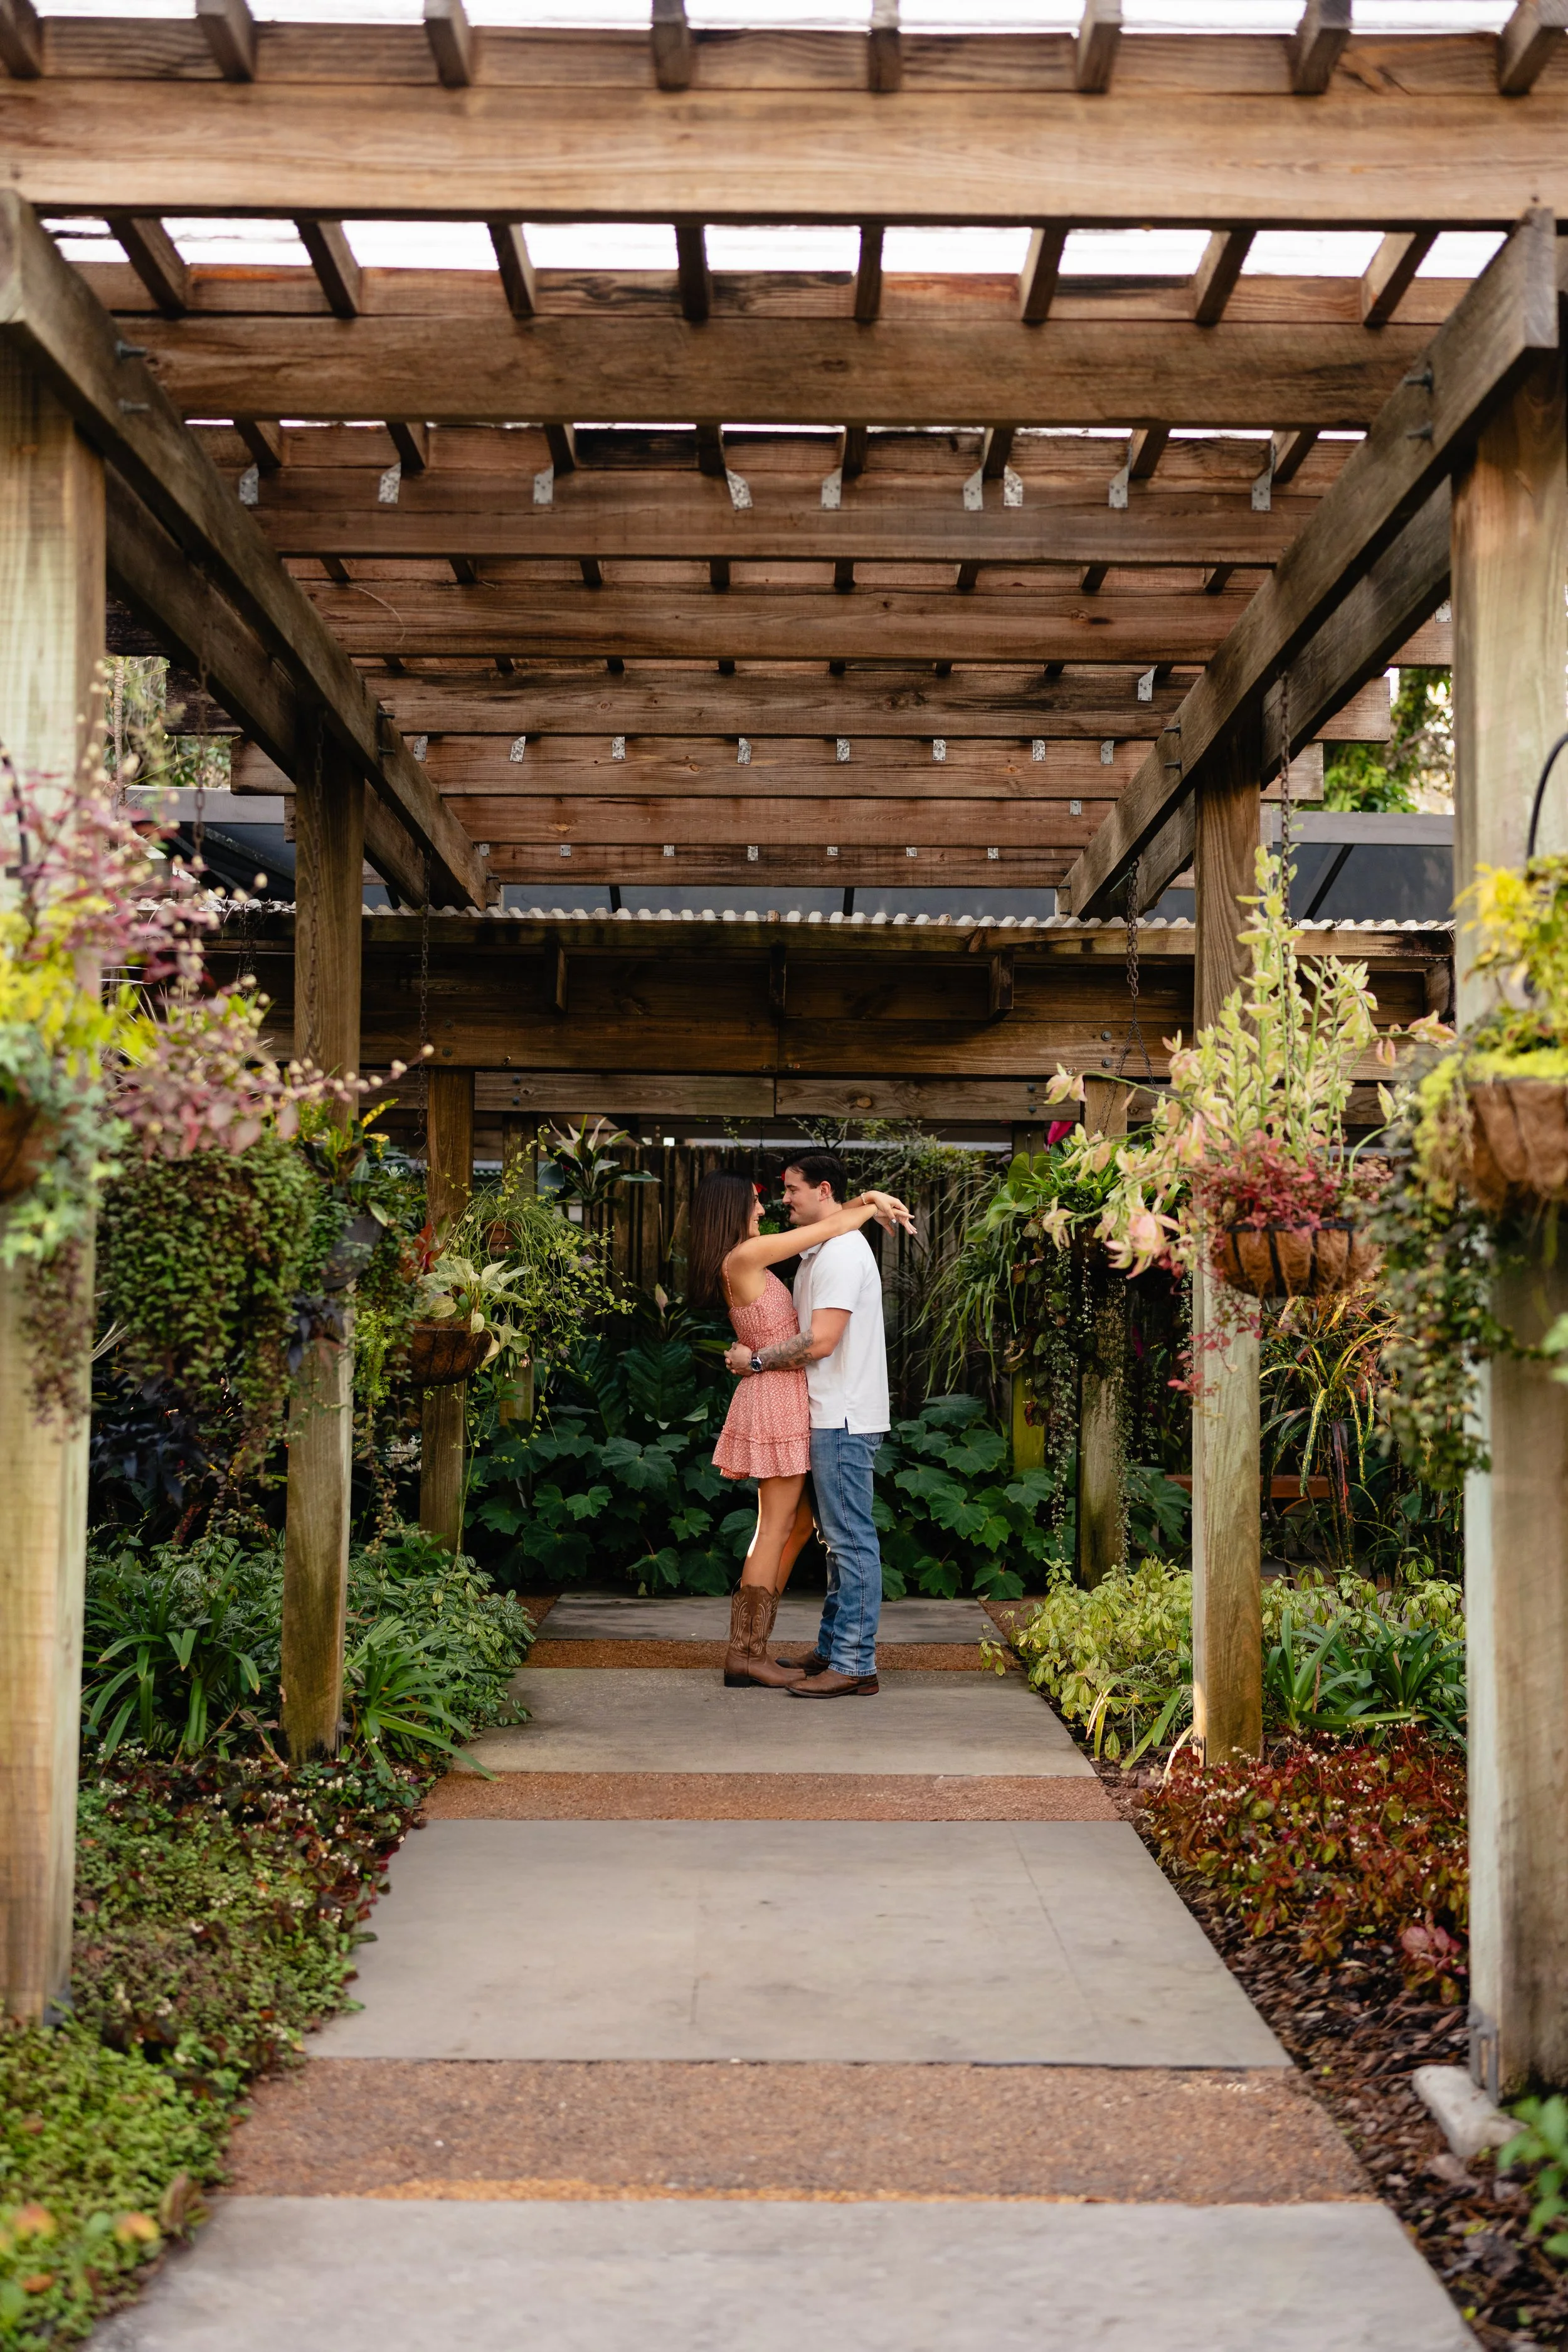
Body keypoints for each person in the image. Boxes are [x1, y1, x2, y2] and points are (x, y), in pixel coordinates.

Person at [689, 1169, 911, 1690]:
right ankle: (746, 1653)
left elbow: (826, 1226)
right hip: (775, 1397)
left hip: (789, 1397)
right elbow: (821, 1230)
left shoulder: (755, 1255)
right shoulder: (744, 1258)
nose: (765, 1209)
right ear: (730, 1210)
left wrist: (865, 1200)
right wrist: (870, 1200)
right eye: (754, 1202)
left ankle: (773, 1650)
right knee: (777, 1527)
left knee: (795, 1527)